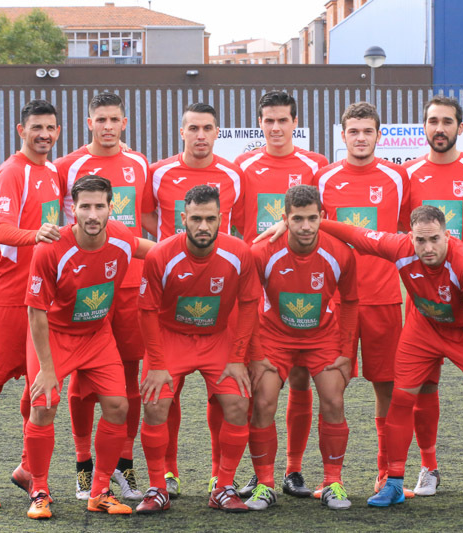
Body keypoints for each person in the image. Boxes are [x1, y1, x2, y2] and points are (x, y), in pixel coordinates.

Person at [304, 206, 463, 512]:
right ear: (410, 237)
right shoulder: (400, 248)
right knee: (401, 398)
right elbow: (359, 237)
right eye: (420, 241)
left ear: (447, 235)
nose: (427, 248)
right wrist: (317, 223)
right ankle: (394, 483)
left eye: (434, 240)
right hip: (424, 328)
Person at [22, 175, 154, 520]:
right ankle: (39, 490)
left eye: (99, 206)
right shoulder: (51, 249)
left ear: (112, 208)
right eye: (85, 207)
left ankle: (99, 491)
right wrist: (48, 370)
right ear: (73, 210)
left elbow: (157, 250)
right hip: (54, 335)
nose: (92, 214)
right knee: (44, 404)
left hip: (97, 336)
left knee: (117, 406)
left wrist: (213, 249)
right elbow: (36, 312)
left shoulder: (123, 240)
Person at [53, 92, 154, 501]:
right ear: (89, 122)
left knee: (128, 380)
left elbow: (147, 220)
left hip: (129, 285)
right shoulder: (66, 166)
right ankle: (83, 465)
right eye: (101, 119)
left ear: (124, 123)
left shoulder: (139, 163)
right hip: (83, 288)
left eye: (114, 119)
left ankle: (123, 466)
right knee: (81, 382)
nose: (108, 126)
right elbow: (46, 222)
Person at [135, 185, 260, 513]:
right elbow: (147, 311)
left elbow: (249, 306)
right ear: (183, 219)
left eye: (209, 219)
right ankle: (157, 488)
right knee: (155, 405)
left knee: (237, 403)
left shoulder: (239, 253)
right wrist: (158, 363)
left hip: (217, 338)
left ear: (222, 219)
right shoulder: (161, 254)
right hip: (170, 337)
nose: (203, 226)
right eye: (195, 219)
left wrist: (237, 358)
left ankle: (223, 487)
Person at [234, 91, 329, 499]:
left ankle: (293, 471)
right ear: (260, 124)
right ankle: (261, 474)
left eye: (283, 121)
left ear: (295, 123)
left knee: (302, 381)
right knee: (260, 388)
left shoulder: (316, 165)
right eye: (268, 121)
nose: (276, 128)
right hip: (259, 289)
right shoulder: (243, 166)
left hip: (304, 288)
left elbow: (326, 223)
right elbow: (239, 227)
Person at [146, 103, 245, 497]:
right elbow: (142, 221)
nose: (200, 135)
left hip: (220, 307)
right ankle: (165, 475)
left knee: (229, 398)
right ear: (181, 131)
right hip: (171, 301)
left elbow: (248, 227)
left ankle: (220, 480)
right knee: (161, 399)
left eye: (208, 128)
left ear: (217, 132)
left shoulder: (235, 175)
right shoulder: (157, 173)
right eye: (193, 128)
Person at [0, 99, 62, 509]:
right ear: (20, 129)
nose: (44, 134)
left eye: (51, 127)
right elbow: (2, 228)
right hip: (7, 298)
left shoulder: (55, 173)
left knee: (40, 390)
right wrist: (34, 236)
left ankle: (28, 470)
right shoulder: (10, 172)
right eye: (37, 127)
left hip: (43, 301)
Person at [402, 95, 463, 497]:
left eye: (446, 121)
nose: (438, 128)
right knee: (424, 386)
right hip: (423, 304)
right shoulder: (406, 174)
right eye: (431, 121)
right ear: (423, 127)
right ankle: (429, 468)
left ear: (461, 126)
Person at [315, 102, 410, 494]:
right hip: (336, 304)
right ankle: (331, 479)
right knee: (331, 391)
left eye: (367, 131)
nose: (360, 138)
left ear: (378, 135)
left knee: (386, 388)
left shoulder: (397, 177)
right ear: (343, 135)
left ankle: (387, 474)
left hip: (385, 300)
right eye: (353, 131)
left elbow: (406, 236)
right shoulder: (323, 178)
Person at [246, 185, 358, 511]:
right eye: (298, 219)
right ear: (285, 219)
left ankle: (332, 482)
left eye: (312, 218)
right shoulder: (262, 252)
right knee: (264, 402)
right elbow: (247, 304)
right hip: (274, 337)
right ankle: (265, 484)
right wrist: (255, 353)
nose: (306, 226)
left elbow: (350, 302)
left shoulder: (340, 253)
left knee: (334, 400)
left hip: (322, 338)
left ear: (323, 217)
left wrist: (348, 353)